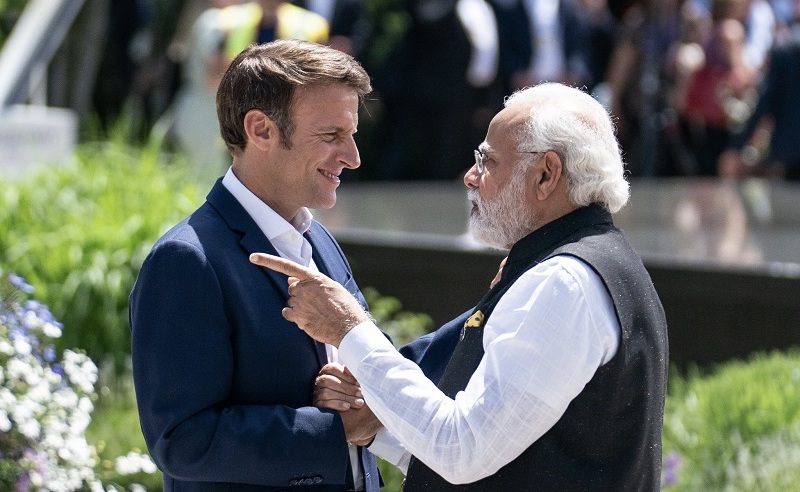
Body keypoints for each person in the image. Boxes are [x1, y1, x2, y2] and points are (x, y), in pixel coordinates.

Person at [251, 82, 669, 490]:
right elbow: (501, 451)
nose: (470, 176)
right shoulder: (582, 265)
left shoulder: (563, 283)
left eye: (487, 161)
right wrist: (375, 421)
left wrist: (349, 330)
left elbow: (462, 449)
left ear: (546, 174)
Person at [129, 39, 381, 492]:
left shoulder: (316, 239)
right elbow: (184, 442)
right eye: (331, 136)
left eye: (353, 134)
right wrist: (336, 427)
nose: (353, 157)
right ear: (261, 130)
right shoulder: (187, 260)